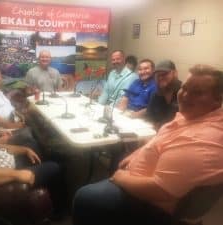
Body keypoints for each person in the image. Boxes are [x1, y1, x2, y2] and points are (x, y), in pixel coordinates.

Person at [73, 65, 223, 225]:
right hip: (139, 181)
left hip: (150, 203)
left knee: (85, 196)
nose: (185, 95)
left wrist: (120, 177)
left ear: (218, 99)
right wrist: (136, 154)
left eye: (197, 92)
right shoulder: (193, 116)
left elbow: (160, 190)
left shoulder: (202, 142)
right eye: (184, 88)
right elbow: (161, 138)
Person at [146, 60, 182, 129]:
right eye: (157, 75)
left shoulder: (184, 94)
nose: (160, 78)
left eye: (164, 74)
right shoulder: (155, 95)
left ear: (175, 73)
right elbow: (148, 117)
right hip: (155, 134)